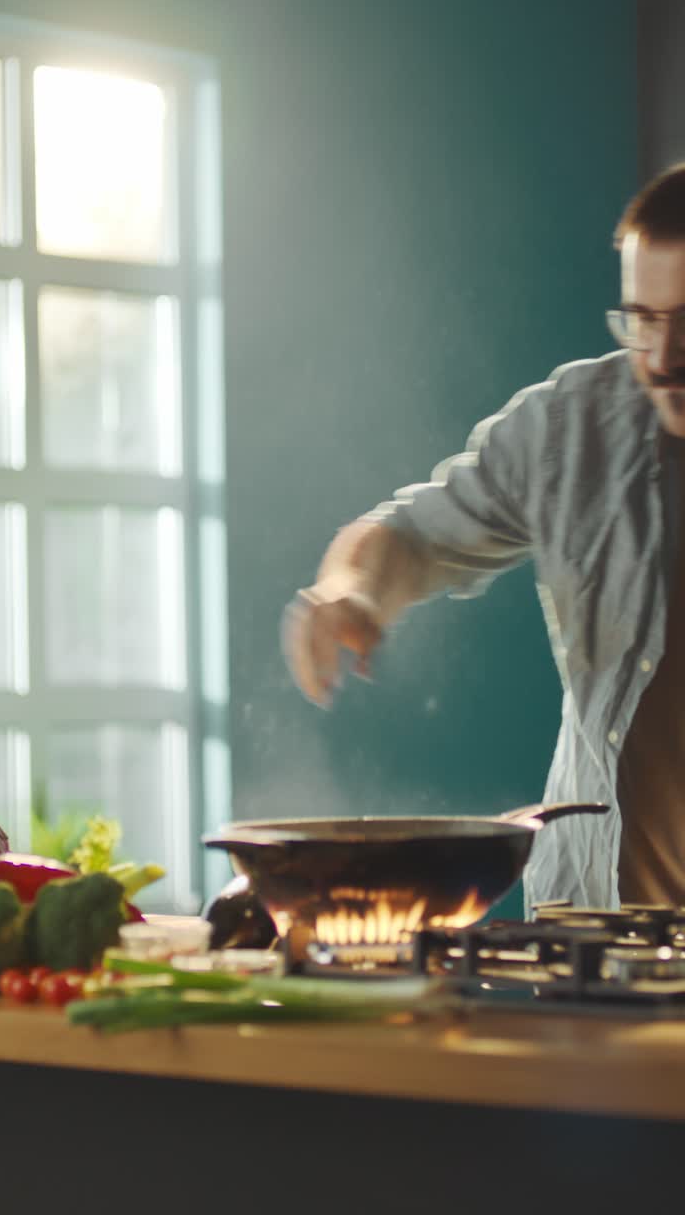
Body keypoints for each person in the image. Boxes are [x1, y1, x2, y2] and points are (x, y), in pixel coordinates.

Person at [282, 162, 685, 915]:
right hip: (592, 933)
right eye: (644, 320)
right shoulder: (572, 426)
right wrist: (353, 593)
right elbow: (407, 533)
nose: (663, 360)